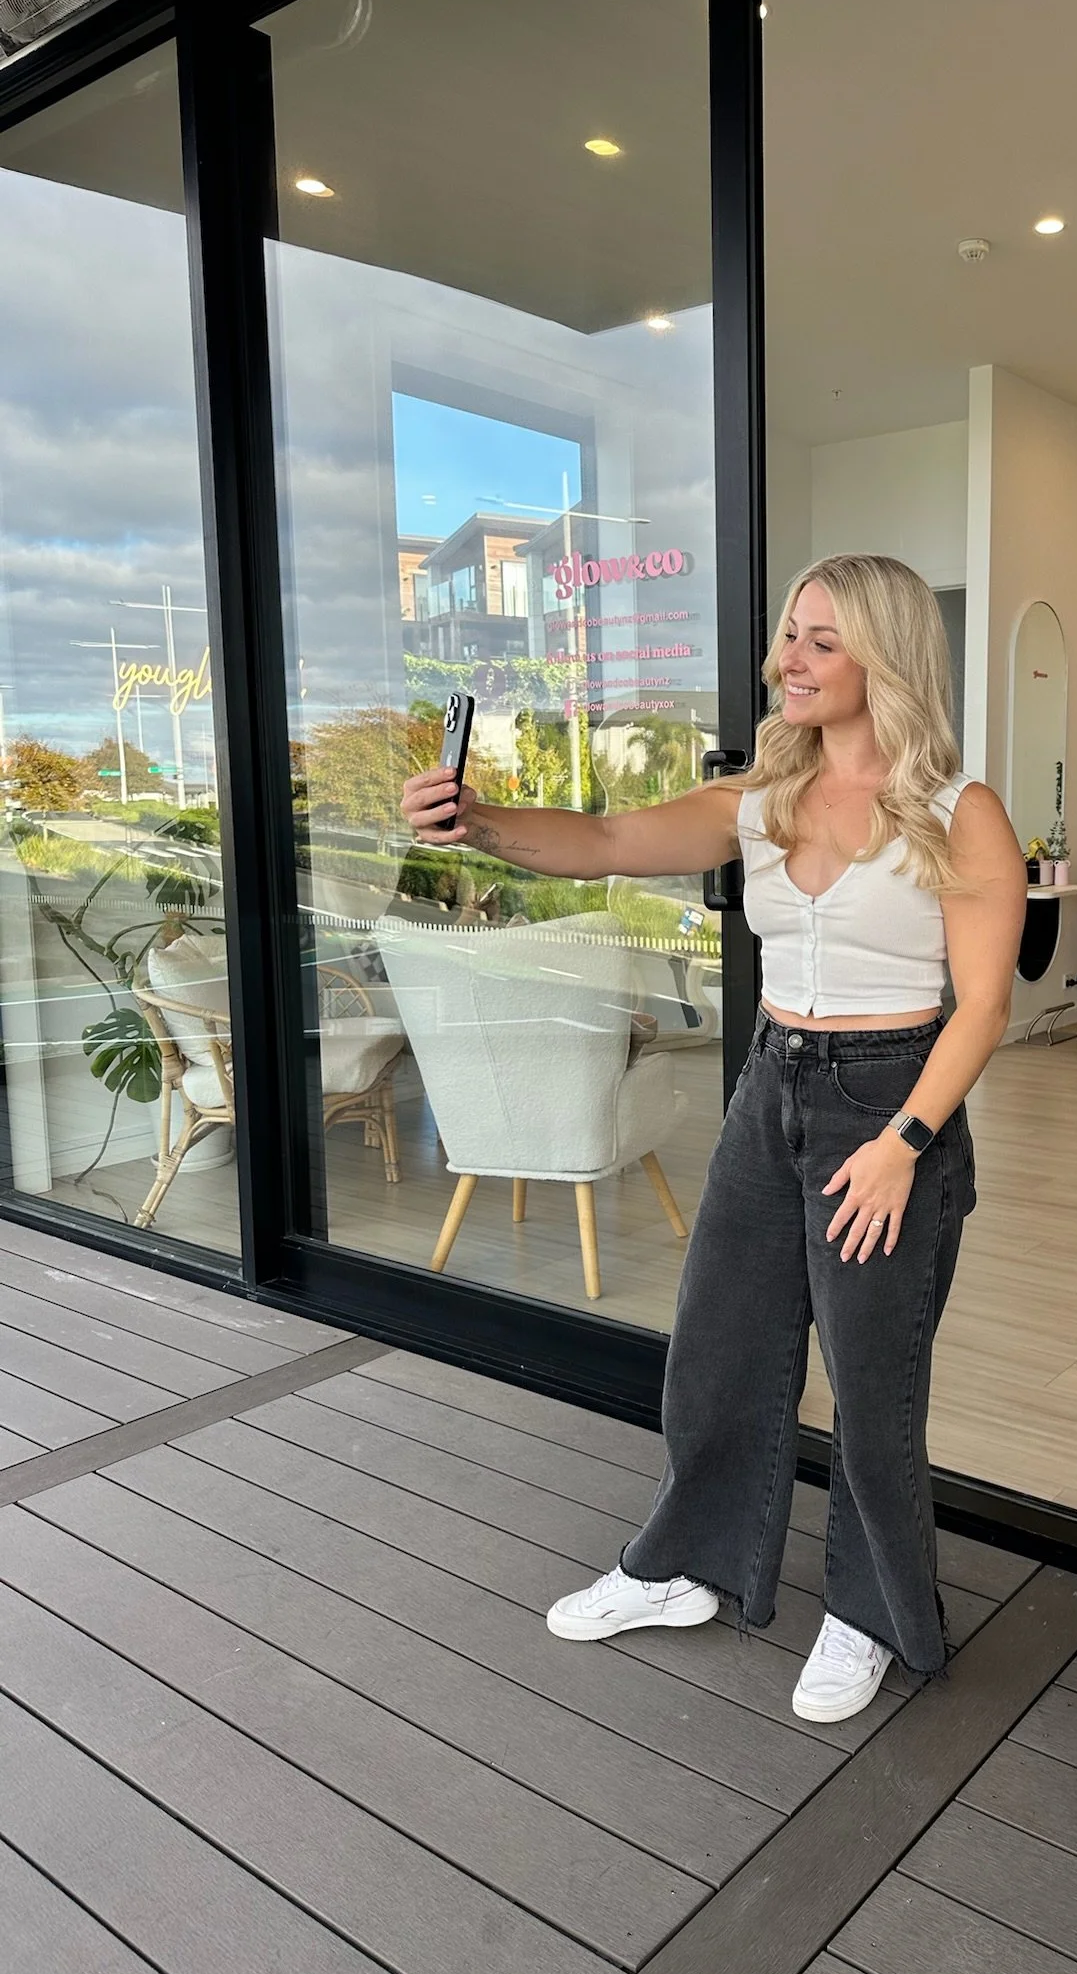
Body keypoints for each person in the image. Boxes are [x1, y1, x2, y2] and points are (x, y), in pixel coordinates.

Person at [401, 552, 1027, 1721]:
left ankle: (870, 1612)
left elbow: (984, 1004)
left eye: (822, 640)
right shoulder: (761, 797)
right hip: (771, 1083)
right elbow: (600, 839)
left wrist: (904, 1140)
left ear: (886, 656)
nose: (790, 658)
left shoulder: (960, 812)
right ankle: (686, 1565)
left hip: (892, 1100)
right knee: (719, 1344)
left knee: (873, 1384)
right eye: (790, 634)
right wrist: (476, 821)